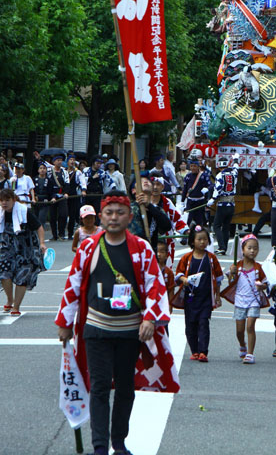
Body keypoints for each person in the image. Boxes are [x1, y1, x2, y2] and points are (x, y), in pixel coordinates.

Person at [56, 191, 179, 455]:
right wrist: (65, 322)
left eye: (119, 212)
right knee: (99, 387)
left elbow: (155, 285)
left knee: (125, 388)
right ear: (100, 217)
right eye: (109, 212)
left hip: (130, 331)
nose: (114, 217)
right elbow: (73, 286)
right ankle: (99, 446)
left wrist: (150, 317)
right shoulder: (89, 247)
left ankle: (119, 442)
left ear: (130, 217)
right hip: (96, 329)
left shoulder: (142, 248)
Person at [173, 226, 223, 362]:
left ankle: (203, 351)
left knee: (203, 323)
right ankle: (194, 350)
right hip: (190, 297)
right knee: (190, 325)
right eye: (199, 239)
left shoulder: (211, 258)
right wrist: (184, 280)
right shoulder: (186, 258)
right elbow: (178, 275)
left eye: (205, 239)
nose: (202, 242)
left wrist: (217, 296)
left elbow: (218, 278)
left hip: (206, 297)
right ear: (192, 241)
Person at [221, 234, 269, 364]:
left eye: (255, 248)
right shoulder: (237, 266)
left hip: (254, 300)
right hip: (240, 301)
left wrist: (262, 286)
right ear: (242, 250)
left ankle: (250, 354)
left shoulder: (258, 267)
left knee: (250, 326)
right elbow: (231, 281)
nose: (252, 251)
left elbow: (266, 283)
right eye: (249, 248)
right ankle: (242, 344)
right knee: (239, 330)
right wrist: (232, 273)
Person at [0, 188, 46, 315]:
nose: (4, 203)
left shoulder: (24, 211)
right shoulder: (0, 213)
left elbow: (39, 227)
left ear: (14, 200)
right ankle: (10, 300)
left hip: (25, 248)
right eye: (2, 200)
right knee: (4, 273)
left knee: (22, 277)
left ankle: (16, 307)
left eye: (7, 200)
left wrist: (42, 243)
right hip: (6, 248)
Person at [149, 176, 188, 262]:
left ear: (162, 187)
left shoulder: (167, 203)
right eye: (153, 184)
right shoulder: (144, 202)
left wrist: (186, 230)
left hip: (166, 240)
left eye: (158, 184)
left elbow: (177, 219)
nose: (155, 187)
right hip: (149, 240)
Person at [207, 154, 239, 255]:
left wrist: (212, 199)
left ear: (219, 166)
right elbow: (236, 167)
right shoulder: (233, 173)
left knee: (216, 225)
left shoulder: (220, 175)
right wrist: (235, 159)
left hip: (222, 204)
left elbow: (218, 188)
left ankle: (221, 246)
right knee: (226, 226)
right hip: (231, 204)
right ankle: (224, 247)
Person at [128, 179, 172, 253]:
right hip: (134, 253)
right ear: (133, 190)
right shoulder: (129, 209)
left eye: (148, 181)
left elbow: (167, 226)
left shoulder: (157, 209)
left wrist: (149, 206)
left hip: (152, 254)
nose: (145, 182)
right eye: (141, 181)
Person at [182, 159, 213, 227]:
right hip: (190, 201)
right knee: (188, 220)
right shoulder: (188, 176)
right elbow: (185, 189)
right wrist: (182, 201)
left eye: (195, 166)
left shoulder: (203, 176)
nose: (193, 168)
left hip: (200, 202)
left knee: (199, 221)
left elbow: (211, 185)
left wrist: (207, 189)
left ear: (198, 166)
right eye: (191, 166)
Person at [48, 155, 70, 241]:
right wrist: (52, 196)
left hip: (62, 195)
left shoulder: (64, 172)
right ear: (54, 162)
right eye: (57, 160)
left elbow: (67, 184)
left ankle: (62, 233)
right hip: (53, 195)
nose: (59, 162)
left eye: (60, 160)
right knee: (52, 217)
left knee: (63, 215)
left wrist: (66, 193)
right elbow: (49, 185)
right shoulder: (50, 171)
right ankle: (54, 235)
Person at [66, 154, 87, 240]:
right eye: (70, 159)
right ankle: (59, 233)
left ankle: (70, 233)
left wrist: (83, 190)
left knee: (73, 214)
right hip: (65, 194)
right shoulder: (64, 171)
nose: (72, 161)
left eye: (73, 160)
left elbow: (82, 181)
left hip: (74, 194)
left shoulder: (77, 172)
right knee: (63, 214)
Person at [32, 162, 55, 227]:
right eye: (41, 168)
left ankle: (41, 233)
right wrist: (33, 197)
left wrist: (53, 197)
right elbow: (31, 190)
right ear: (38, 170)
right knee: (35, 218)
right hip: (36, 201)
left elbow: (52, 191)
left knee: (41, 218)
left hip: (45, 201)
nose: (42, 170)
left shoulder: (49, 180)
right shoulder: (34, 179)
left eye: (44, 168)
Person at [156, 240, 175, 317]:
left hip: (164, 302)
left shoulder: (169, 272)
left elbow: (171, 290)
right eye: (157, 252)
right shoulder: (150, 270)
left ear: (167, 255)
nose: (159, 254)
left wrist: (170, 305)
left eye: (162, 252)